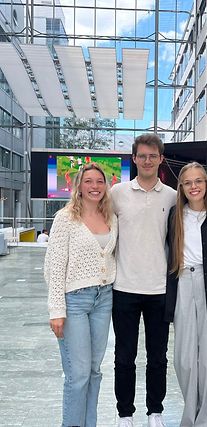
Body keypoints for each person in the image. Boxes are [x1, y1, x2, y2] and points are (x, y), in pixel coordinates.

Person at [44, 163, 117, 427]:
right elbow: (53, 266)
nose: (94, 186)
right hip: (74, 300)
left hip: (104, 298)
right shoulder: (65, 218)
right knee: (78, 375)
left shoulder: (111, 217)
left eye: (99, 181)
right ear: (79, 185)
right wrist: (56, 310)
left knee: (95, 372)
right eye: (89, 181)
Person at [111, 133, 176, 427]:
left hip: (159, 290)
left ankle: (155, 412)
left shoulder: (173, 196)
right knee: (124, 357)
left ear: (161, 159)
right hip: (123, 288)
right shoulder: (117, 193)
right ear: (134, 159)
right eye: (142, 156)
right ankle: (125, 413)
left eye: (153, 156)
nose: (147, 160)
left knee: (157, 357)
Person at [165, 162, 207, 427]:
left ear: (206, 184)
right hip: (182, 283)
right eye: (188, 182)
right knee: (184, 360)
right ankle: (191, 415)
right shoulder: (174, 214)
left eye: (198, 181)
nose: (194, 187)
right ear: (181, 187)